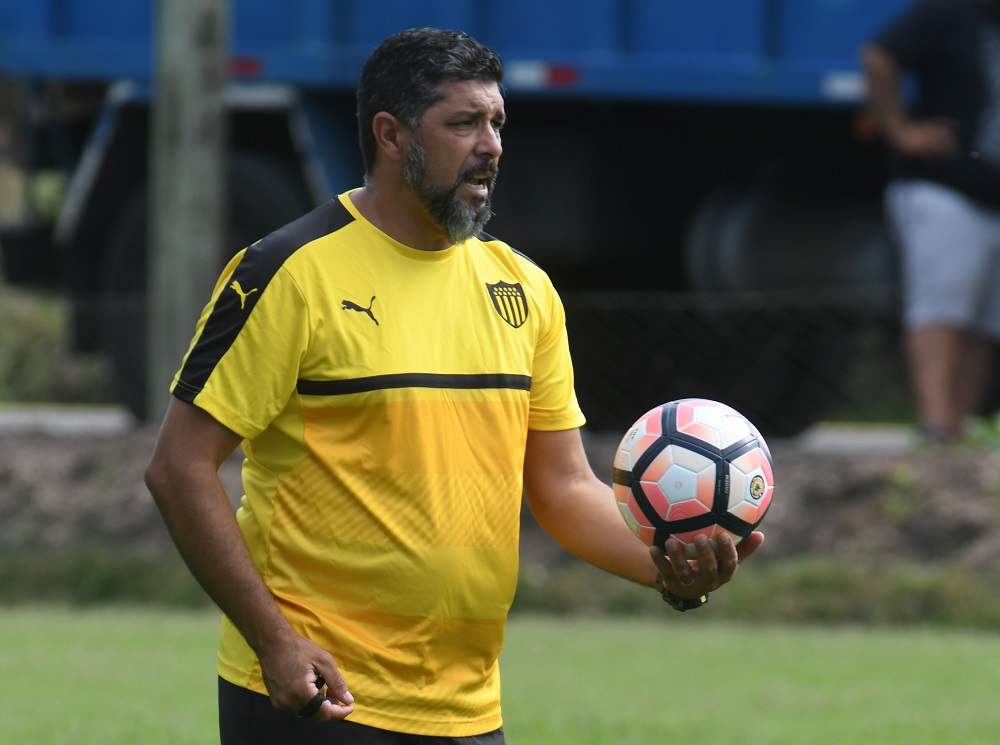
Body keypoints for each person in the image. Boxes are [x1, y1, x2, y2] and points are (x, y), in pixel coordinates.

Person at [144, 27, 764, 745]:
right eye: (464, 122)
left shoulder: (523, 288)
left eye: (497, 122)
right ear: (391, 134)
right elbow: (178, 468)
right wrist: (273, 640)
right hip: (319, 697)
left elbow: (563, 487)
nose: (492, 144)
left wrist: (667, 571)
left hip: (466, 710)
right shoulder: (288, 273)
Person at [862, 0, 1000, 444]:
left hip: (991, 192)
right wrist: (900, 129)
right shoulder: (947, 12)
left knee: (984, 316)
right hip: (944, 187)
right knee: (944, 304)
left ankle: (958, 429)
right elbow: (879, 57)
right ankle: (936, 424)